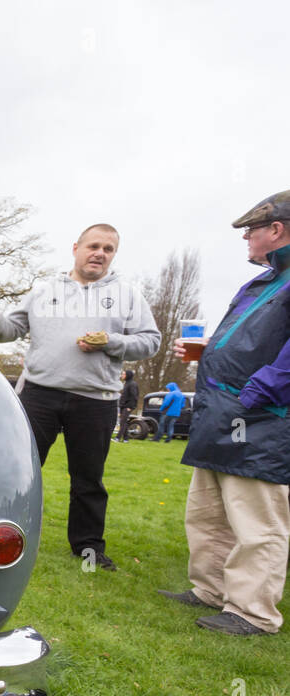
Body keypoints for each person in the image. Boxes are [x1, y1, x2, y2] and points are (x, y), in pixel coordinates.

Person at [0, 224, 160, 570]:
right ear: (76, 248)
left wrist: (111, 342)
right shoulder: (44, 290)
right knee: (20, 471)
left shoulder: (127, 295)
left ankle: (88, 548)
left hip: (96, 399)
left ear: (113, 255)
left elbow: (151, 341)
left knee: (88, 479)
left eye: (108, 249)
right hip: (39, 394)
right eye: (94, 246)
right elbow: (8, 332)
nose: (99, 254)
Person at [158, 189, 290, 635]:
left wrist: (257, 392)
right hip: (221, 411)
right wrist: (205, 354)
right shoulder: (263, 281)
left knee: (257, 520)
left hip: (261, 416)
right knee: (208, 511)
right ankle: (211, 590)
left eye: (251, 230)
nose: (246, 239)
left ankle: (253, 612)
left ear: (276, 229)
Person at [116, 368, 139, 442]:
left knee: (122, 422)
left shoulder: (132, 384)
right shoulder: (126, 383)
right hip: (123, 406)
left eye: (123, 374)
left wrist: (130, 407)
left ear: (128, 375)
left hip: (128, 406)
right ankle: (126, 439)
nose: (122, 375)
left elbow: (134, 396)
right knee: (123, 422)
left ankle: (117, 438)